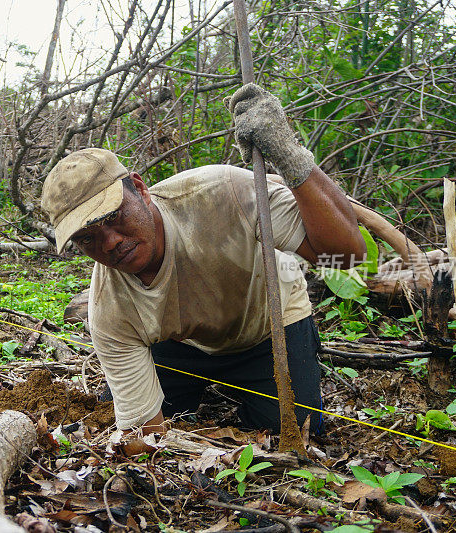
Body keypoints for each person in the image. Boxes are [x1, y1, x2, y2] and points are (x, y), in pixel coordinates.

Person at [40, 83, 366, 435]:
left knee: (297, 431)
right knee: (112, 419)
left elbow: (348, 256)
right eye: (88, 237)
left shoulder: (223, 193)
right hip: (181, 345)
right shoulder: (110, 309)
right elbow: (144, 435)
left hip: (269, 325)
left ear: (140, 188)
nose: (111, 243)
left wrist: (289, 155)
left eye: (114, 216)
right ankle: (200, 383)